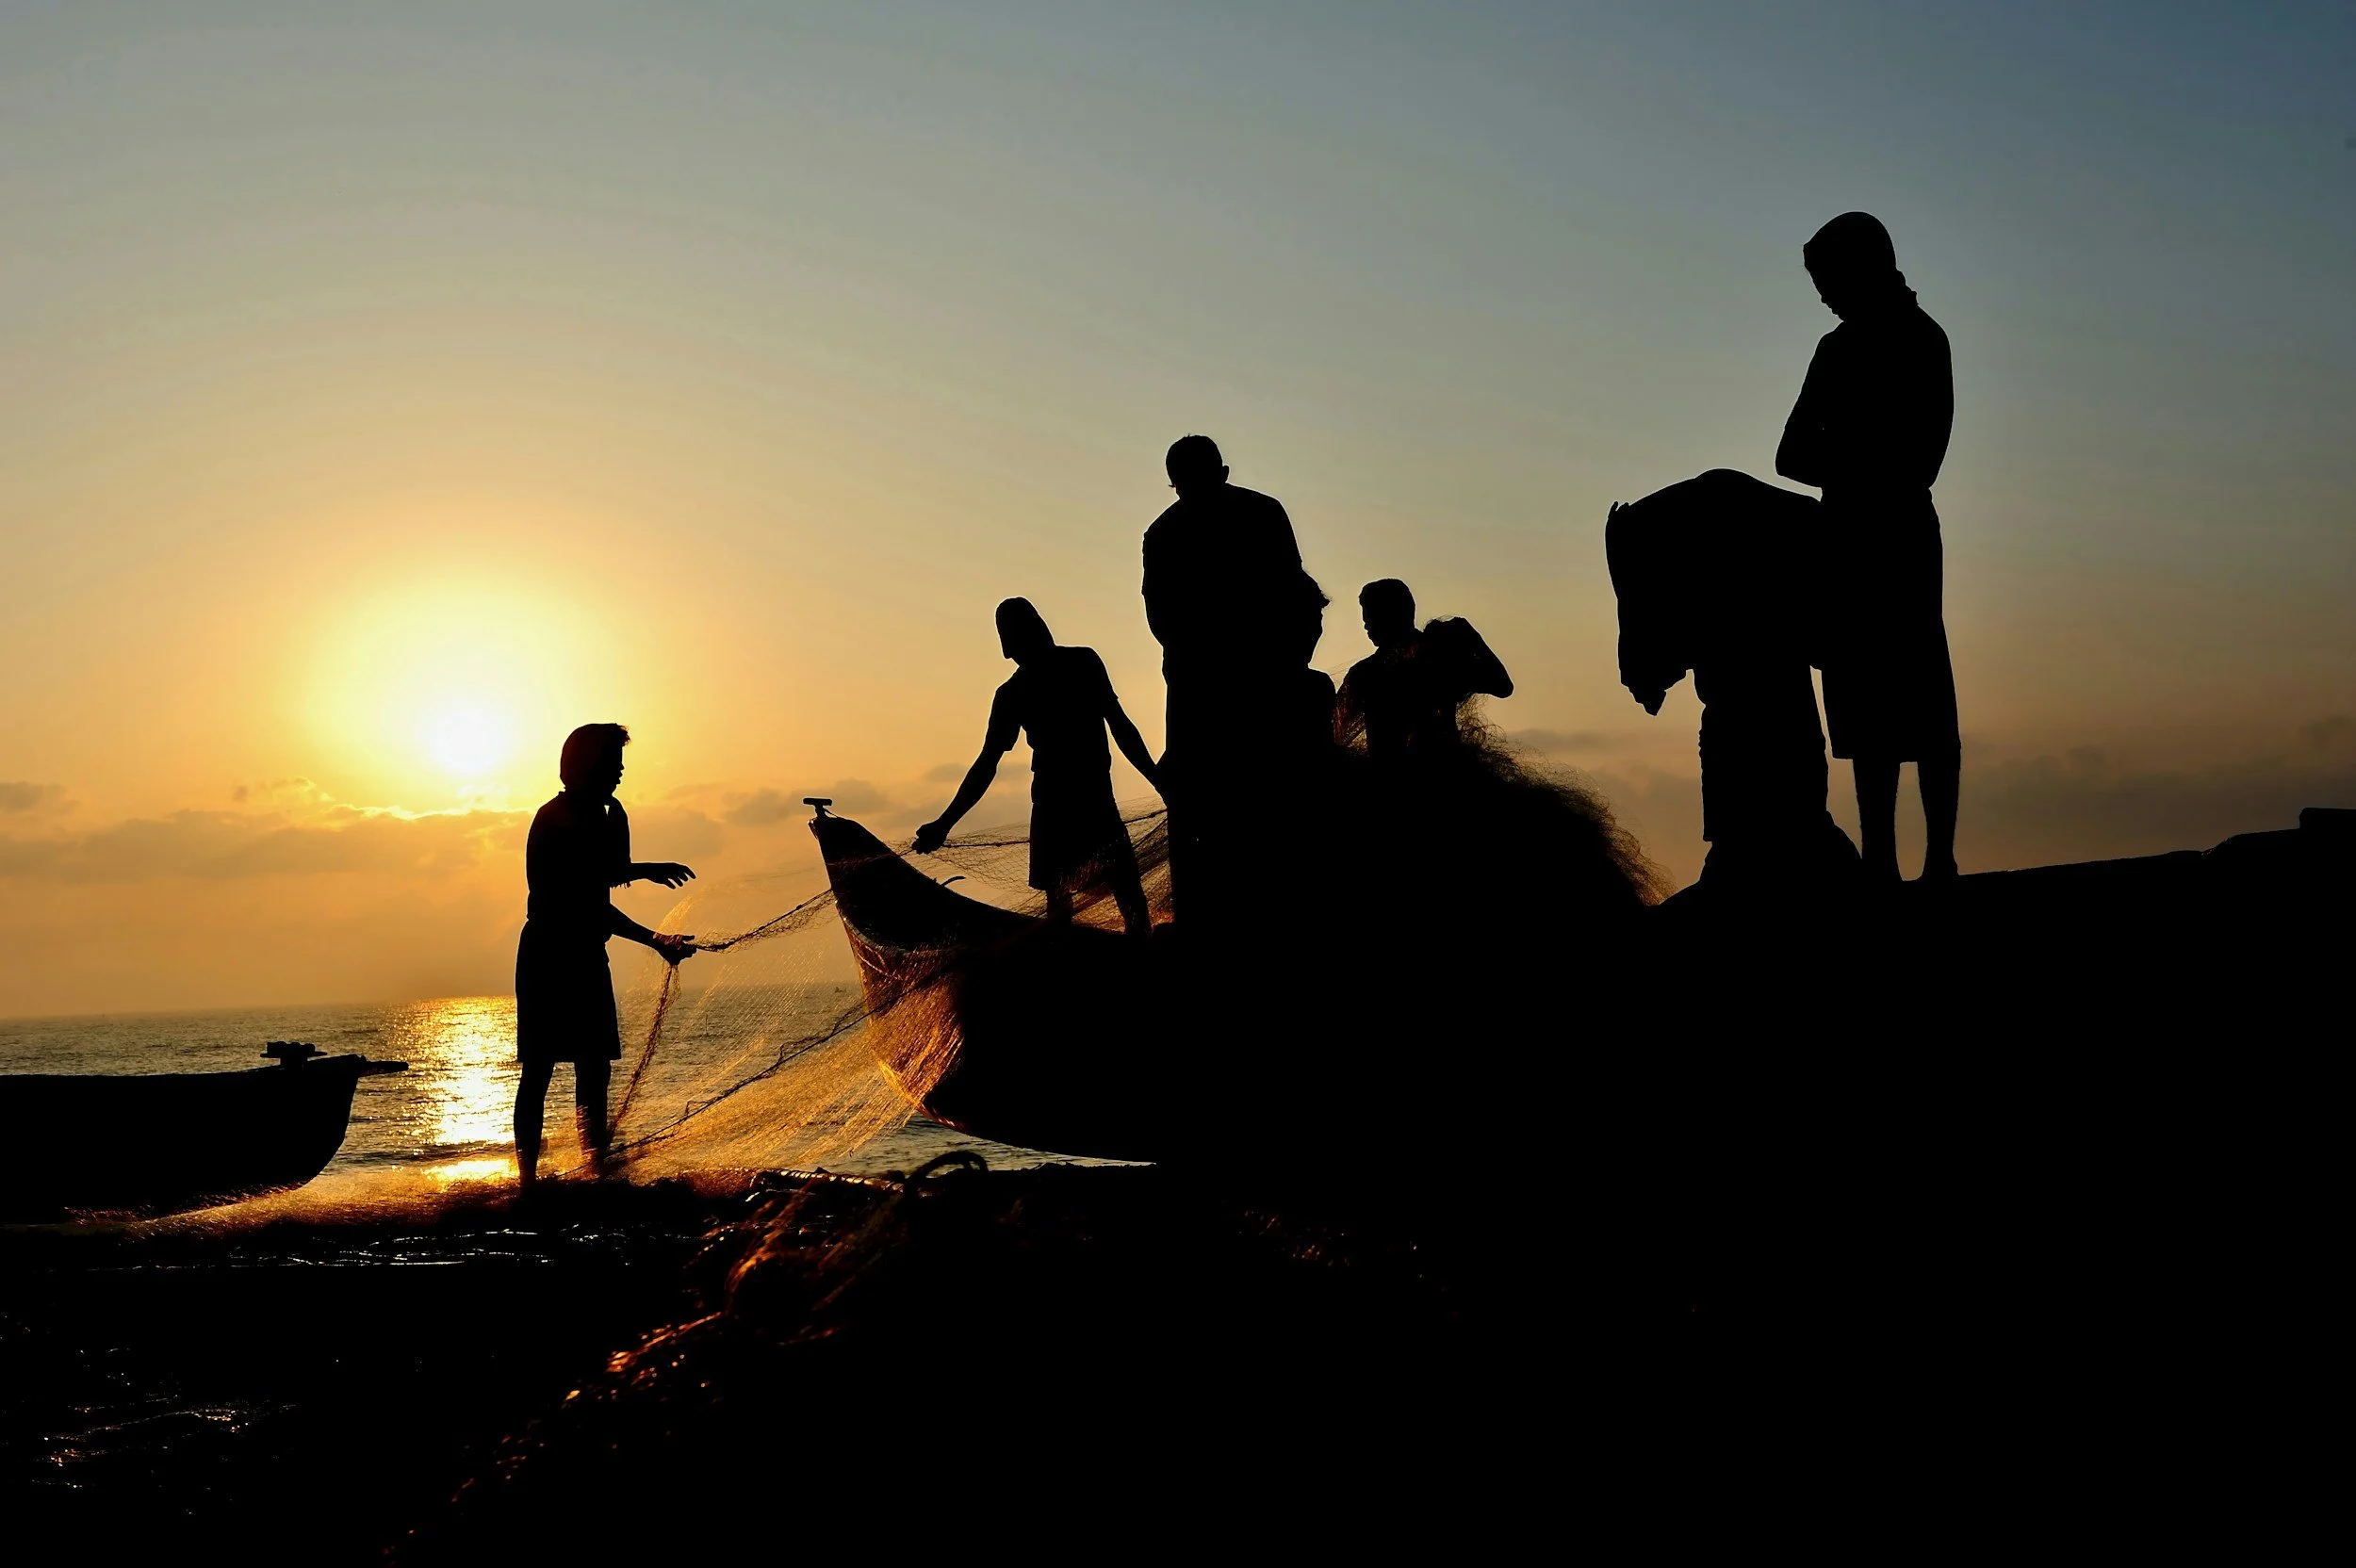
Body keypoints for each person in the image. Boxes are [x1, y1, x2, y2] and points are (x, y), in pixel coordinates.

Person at [1775, 211, 1960, 884]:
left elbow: (1921, 459)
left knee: (1924, 698)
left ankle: (1940, 858)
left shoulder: (1921, 340)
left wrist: (1850, 458)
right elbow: (1788, 453)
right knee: (1864, 707)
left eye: (1827, 279)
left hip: (1901, 538)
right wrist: (1866, 462)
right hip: (1848, 540)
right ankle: (1879, 860)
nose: (1823, 295)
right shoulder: (1834, 351)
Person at [1607, 469, 1858, 893]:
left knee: (1772, 840)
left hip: (1761, 721)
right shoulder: (1714, 528)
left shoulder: (1703, 535)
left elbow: (1646, 642)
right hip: (1764, 714)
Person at [1140, 434, 1328, 919]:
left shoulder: (1164, 534)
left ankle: (1209, 915)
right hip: (1229, 685)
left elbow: (1162, 620)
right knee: (1244, 805)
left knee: (1213, 807)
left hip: (1223, 687)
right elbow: (1295, 593)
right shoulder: (1258, 513)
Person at [514, 723, 695, 1186]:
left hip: (586, 954)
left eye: (620, 765)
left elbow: (603, 889)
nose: (619, 773)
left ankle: (596, 1172)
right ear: (583, 765)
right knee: (539, 1070)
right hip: (550, 957)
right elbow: (590, 887)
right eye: (612, 763)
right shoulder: (556, 817)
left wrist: (657, 939)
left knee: (592, 1069)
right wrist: (645, 872)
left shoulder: (602, 815)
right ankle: (527, 1182)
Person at [913, 598, 1158, 937]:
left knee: (1124, 901)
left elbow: (1121, 727)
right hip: (1058, 807)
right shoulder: (1018, 692)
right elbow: (986, 764)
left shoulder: (1078, 665)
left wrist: (1160, 782)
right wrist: (943, 823)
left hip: (1092, 803)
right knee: (1071, 904)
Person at [1335, 579, 1513, 757]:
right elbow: (1503, 686)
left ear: (1391, 616)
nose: (1366, 626)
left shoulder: (1369, 672)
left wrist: (1470, 636)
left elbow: (1503, 687)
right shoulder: (1440, 658)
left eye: (1371, 619)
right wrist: (1472, 638)